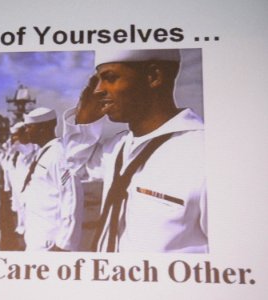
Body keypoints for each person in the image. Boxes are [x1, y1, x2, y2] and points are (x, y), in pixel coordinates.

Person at [63, 49, 208, 253]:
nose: (97, 91)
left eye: (110, 78)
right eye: (97, 81)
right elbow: (76, 168)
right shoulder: (120, 146)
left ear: (153, 76)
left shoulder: (204, 155)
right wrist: (84, 123)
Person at [20, 107, 84, 251]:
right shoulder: (44, 153)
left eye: (29, 127)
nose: (26, 132)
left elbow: (71, 195)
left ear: (43, 128)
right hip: (38, 237)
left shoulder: (59, 156)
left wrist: (64, 243)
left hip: (51, 245)